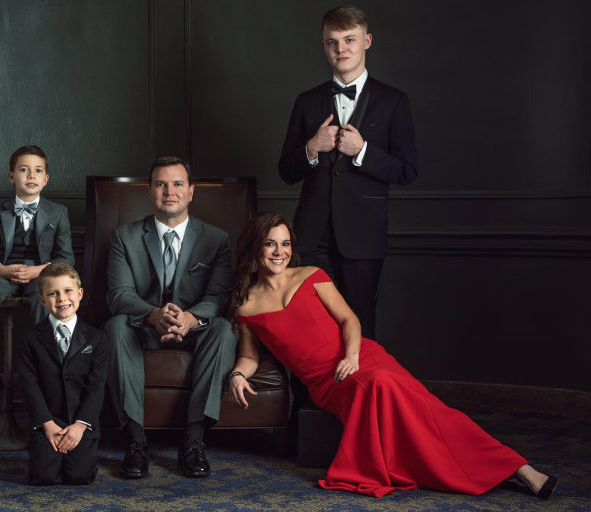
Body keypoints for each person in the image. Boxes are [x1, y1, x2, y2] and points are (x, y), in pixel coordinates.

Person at [227, 211, 557, 499]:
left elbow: (349, 320)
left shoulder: (311, 275)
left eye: (285, 244)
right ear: (257, 246)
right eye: (271, 243)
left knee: (426, 405)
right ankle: (487, 466)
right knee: (385, 386)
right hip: (327, 382)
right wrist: (238, 375)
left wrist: (352, 356)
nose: (280, 252)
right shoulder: (247, 305)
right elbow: (249, 356)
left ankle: (516, 466)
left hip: (359, 358)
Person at [278, 5, 418, 341]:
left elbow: (407, 170)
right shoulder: (306, 102)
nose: (341, 49)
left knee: (359, 327)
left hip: (363, 236)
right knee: (309, 328)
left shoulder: (394, 101)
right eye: (333, 42)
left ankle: (359, 394)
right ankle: (308, 397)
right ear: (324, 46)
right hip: (312, 237)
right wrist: (312, 148)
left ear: (366, 41)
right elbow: (285, 170)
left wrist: (364, 152)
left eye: (349, 40)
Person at [104, 156, 236, 478]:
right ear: (149, 191)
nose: (169, 191)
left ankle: (193, 440)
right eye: (161, 184)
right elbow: (118, 295)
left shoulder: (216, 239)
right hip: (143, 327)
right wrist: (152, 316)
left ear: (191, 192)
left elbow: (218, 297)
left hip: (195, 329)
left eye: (177, 184)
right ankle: (135, 441)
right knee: (115, 326)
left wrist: (189, 319)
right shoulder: (124, 236)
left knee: (223, 329)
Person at [0, 145, 74, 406]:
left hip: (41, 273)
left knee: (44, 301)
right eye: (23, 170)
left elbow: (66, 258)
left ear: (46, 179)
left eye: (38, 170)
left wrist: (39, 270)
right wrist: (2, 269)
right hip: (5, 272)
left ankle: (42, 370)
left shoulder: (58, 212)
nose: (31, 175)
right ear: (11, 176)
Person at [17, 262, 107, 485]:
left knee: (79, 476)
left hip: (81, 422)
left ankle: (79, 456)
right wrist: (47, 424)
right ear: (42, 300)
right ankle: (50, 457)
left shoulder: (97, 339)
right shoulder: (28, 339)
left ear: (79, 293)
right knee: (43, 477)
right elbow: (30, 385)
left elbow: (96, 386)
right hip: (47, 420)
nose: (62, 299)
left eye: (67, 291)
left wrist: (79, 426)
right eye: (52, 293)